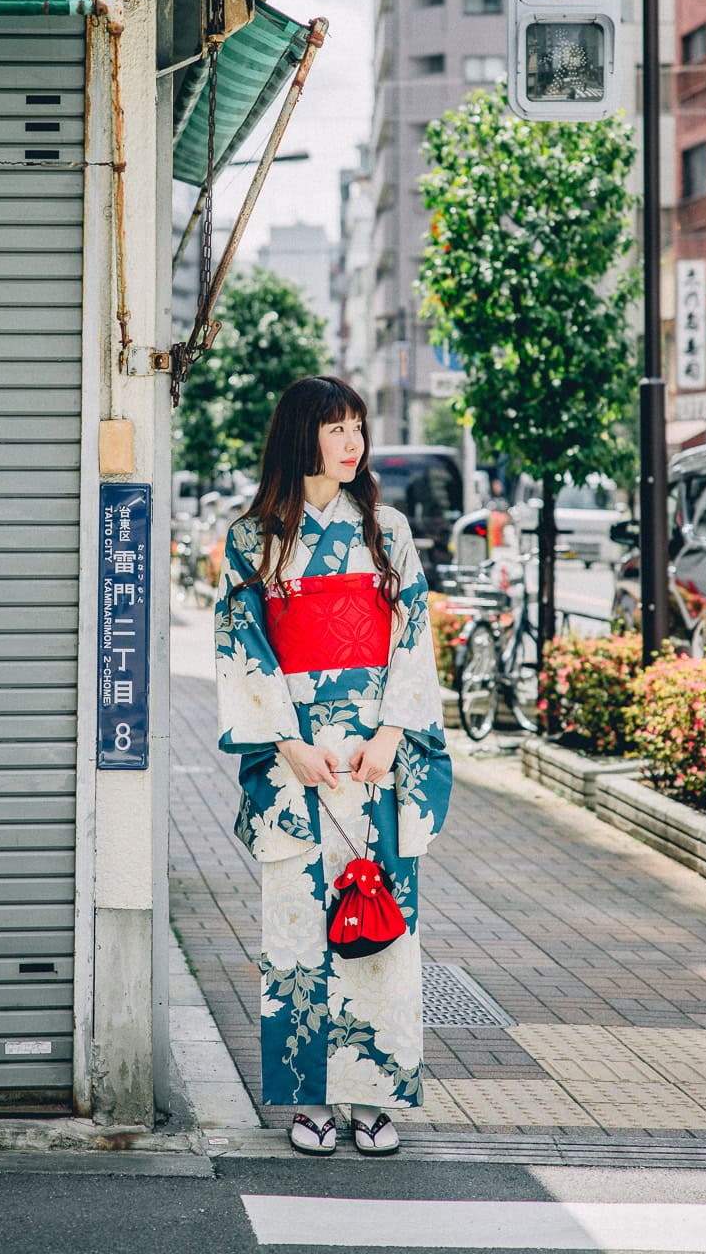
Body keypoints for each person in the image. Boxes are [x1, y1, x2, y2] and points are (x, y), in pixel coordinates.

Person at [214, 376, 452, 1156]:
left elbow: (412, 635)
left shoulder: (386, 530)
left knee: (383, 926)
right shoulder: (254, 538)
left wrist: (389, 735)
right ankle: (308, 1098)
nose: (352, 443)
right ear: (299, 437)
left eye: (357, 427)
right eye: (335, 428)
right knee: (295, 933)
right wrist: (284, 743)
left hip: (376, 766)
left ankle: (375, 1097)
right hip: (298, 765)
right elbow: (242, 648)